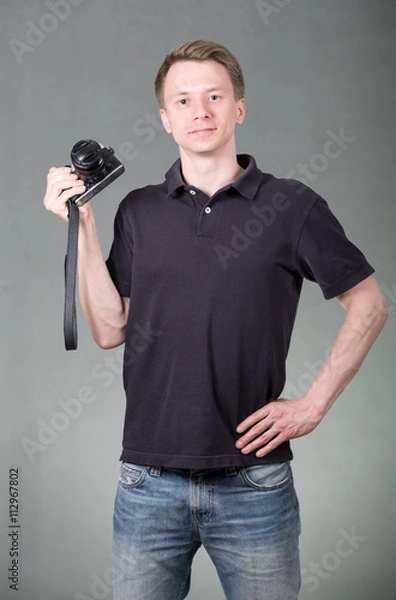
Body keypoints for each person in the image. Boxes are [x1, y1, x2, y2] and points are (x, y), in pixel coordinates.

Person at [43, 40, 388, 600]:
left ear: (239, 108)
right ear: (165, 117)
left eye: (213, 96)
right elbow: (110, 329)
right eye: (182, 100)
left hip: (254, 484)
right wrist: (83, 226)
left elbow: (370, 304)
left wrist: (313, 404)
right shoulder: (137, 209)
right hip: (147, 482)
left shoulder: (292, 205)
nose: (199, 111)